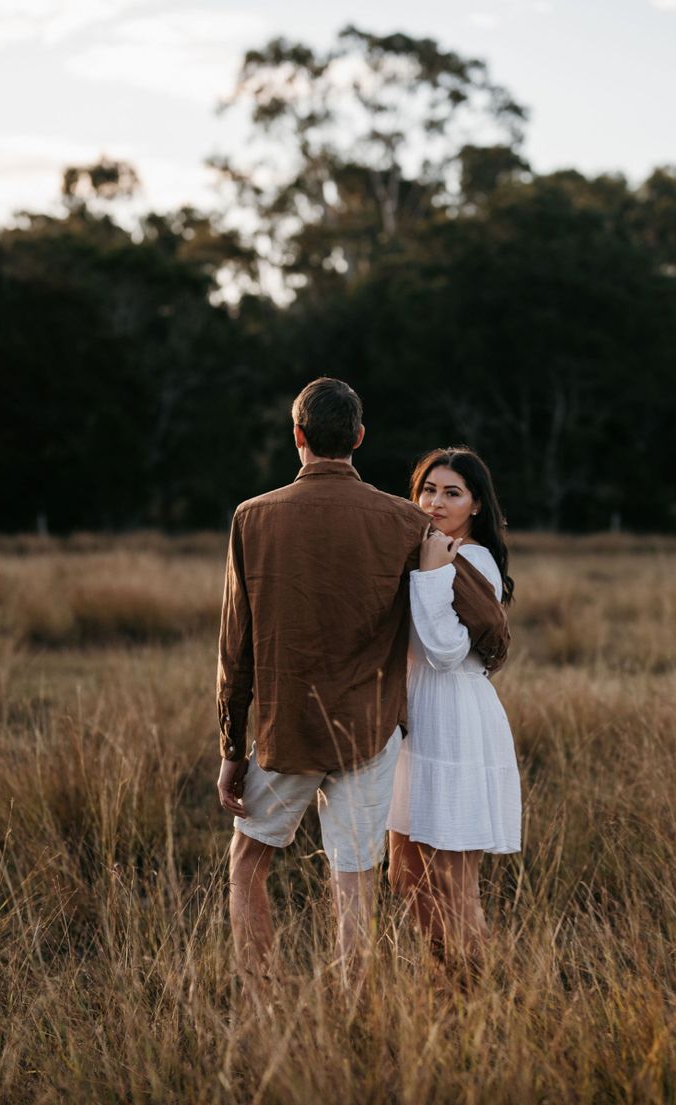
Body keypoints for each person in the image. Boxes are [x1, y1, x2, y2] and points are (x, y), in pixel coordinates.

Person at [216, 380, 509, 979]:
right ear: (358, 437)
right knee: (354, 880)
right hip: (370, 733)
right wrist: (494, 651)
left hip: (285, 732)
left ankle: (258, 1000)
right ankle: (355, 1003)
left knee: (248, 861)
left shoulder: (252, 517)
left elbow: (235, 648)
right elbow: (487, 616)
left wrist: (229, 747)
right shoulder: (405, 520)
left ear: (297, 436)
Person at [387, 447, 521, 965]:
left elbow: (444, 652)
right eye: (427, 490)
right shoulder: (427, 547)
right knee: (405, 872)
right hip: (415, 717)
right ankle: (446, 986)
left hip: (455, 717)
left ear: (476, 505)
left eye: (452, 493)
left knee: (451, 881)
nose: (435, 502)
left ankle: (475, 993)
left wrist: (431, 572)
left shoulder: (471, 561)